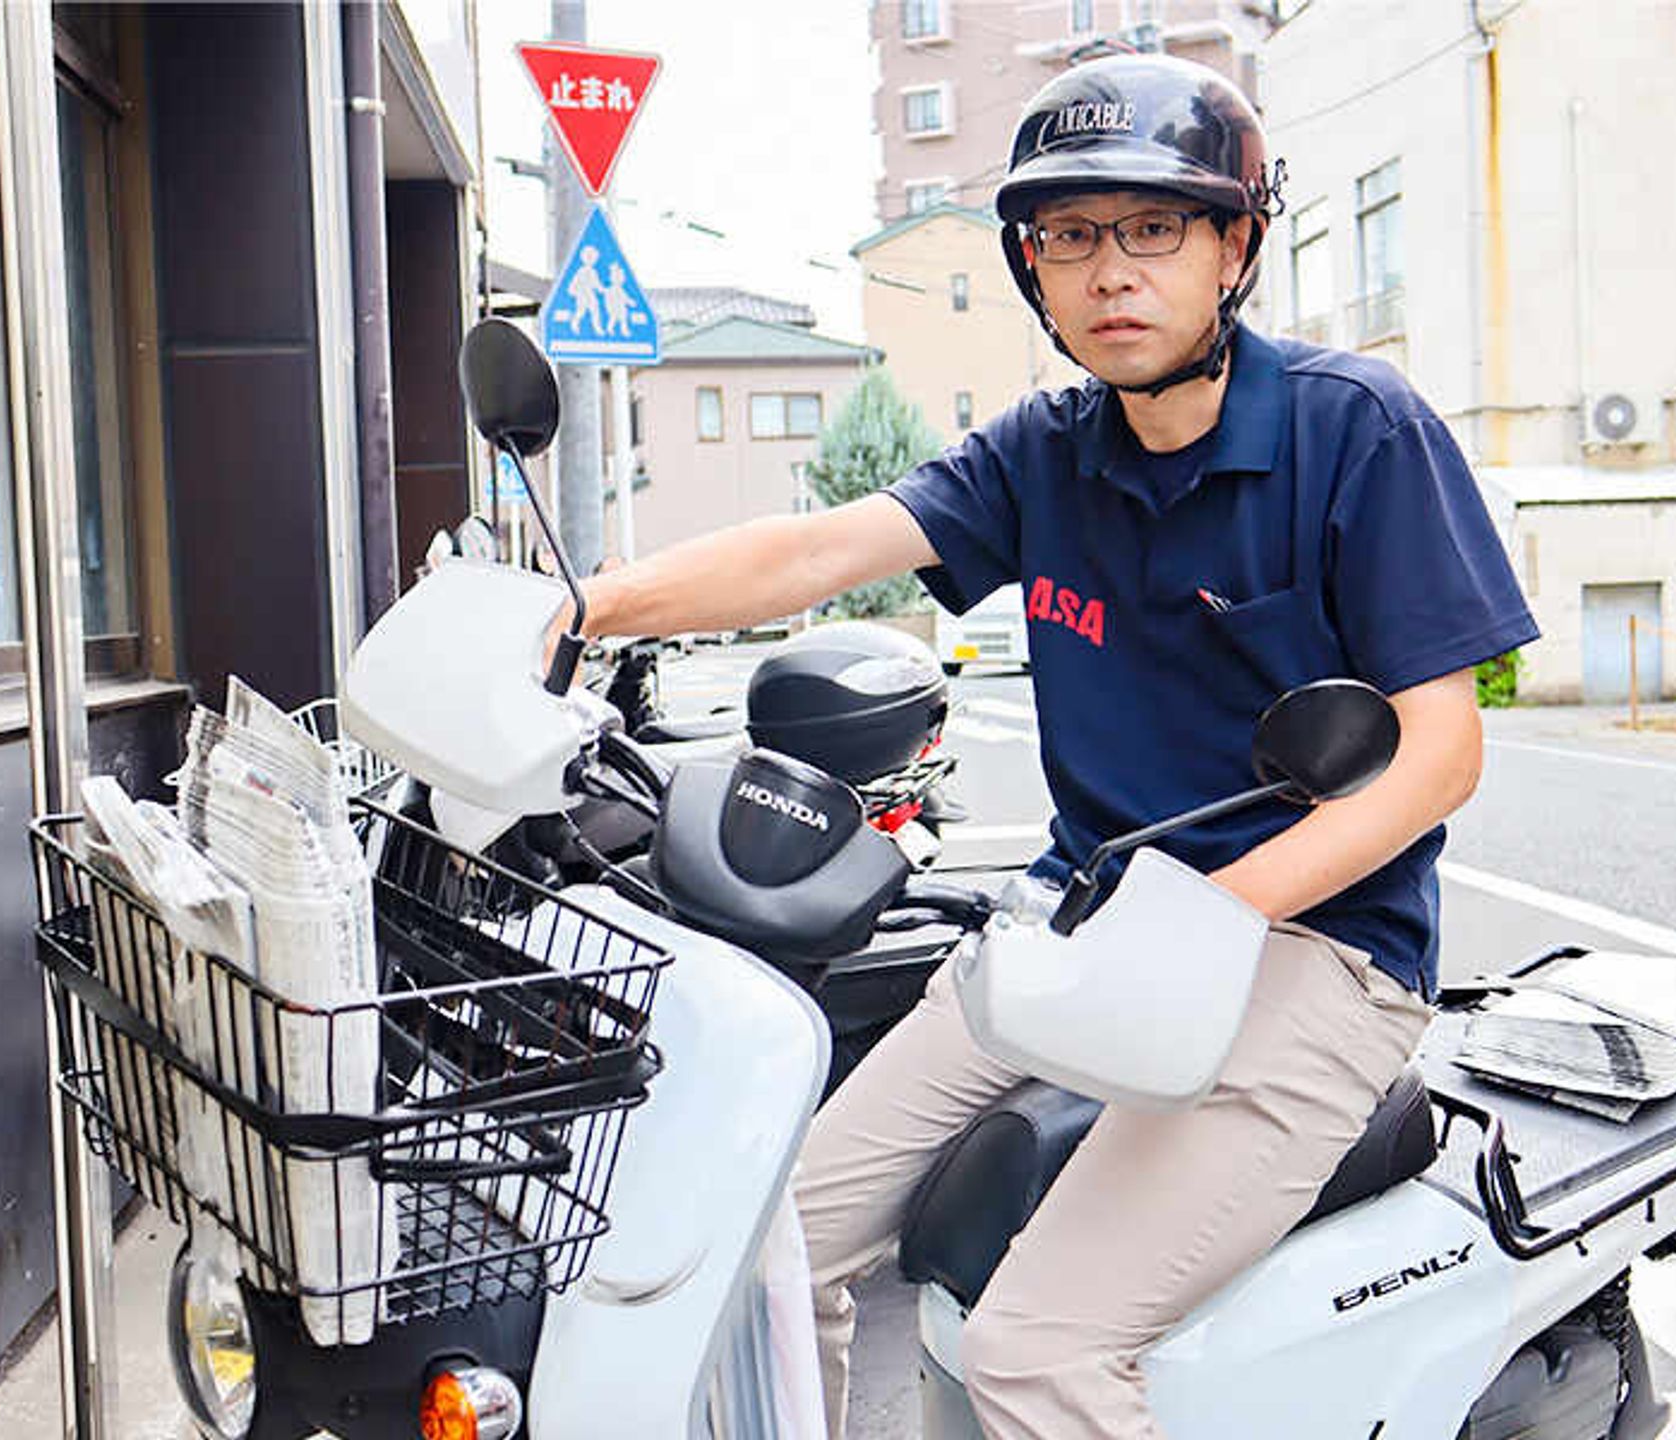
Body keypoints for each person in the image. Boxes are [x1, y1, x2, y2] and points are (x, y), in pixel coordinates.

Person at [562, 53, 1537, 1440]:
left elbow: (1439, 754)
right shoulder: (1043, 450)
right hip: (1071, 935)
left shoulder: (1356, 432)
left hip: (1309, 956)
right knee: (757, 1243)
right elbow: (826, 547)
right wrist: (581, 606)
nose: (1110, 272)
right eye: (1070, 238)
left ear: (1236, 245)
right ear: (1031, 267)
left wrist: (1205, 913)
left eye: (1153, 229)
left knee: (1037, 1349)